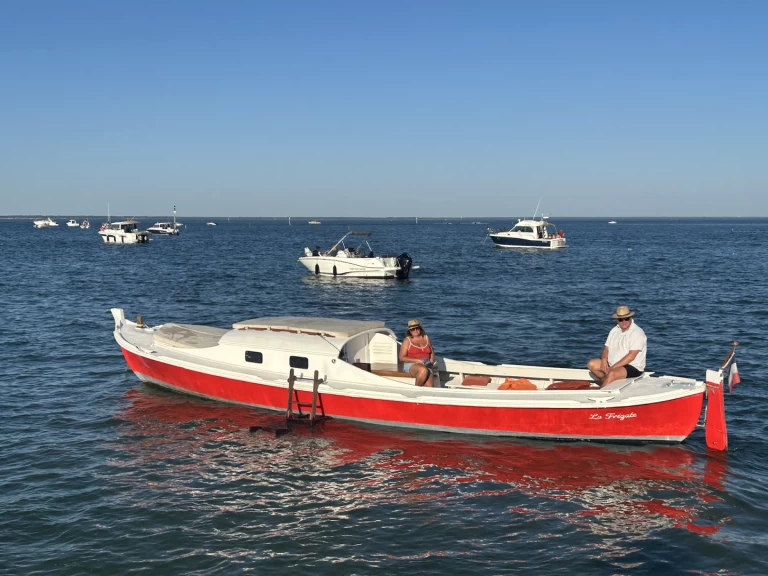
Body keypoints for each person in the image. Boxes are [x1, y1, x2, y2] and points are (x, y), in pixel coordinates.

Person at [588, 306, 647, 387]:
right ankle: (606, 383)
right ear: (617, 320)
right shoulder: (614, 330)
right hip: (613, 364)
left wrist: (613, 368)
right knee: (592, 364)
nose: (624, 321)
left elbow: (631, 356)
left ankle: (601, 393)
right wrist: (604, 360)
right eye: (620, 319)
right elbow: (606, 348)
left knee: (612, 373)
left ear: (630, 318)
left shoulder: (637, 333)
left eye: (626, 319)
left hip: (633, 366)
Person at [399, 319, 437, 387]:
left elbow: (431, 351)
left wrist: (431, 362)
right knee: (423, 370)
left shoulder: (426, 338)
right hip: (412, 364)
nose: (415, 330)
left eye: (417, 328)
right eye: (412, 329)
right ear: (409, 331)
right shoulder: (407, 340)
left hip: (426, 364)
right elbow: (401, 357)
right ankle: (415, 390)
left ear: (420, 328)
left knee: (430, 387)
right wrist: (417, 361)